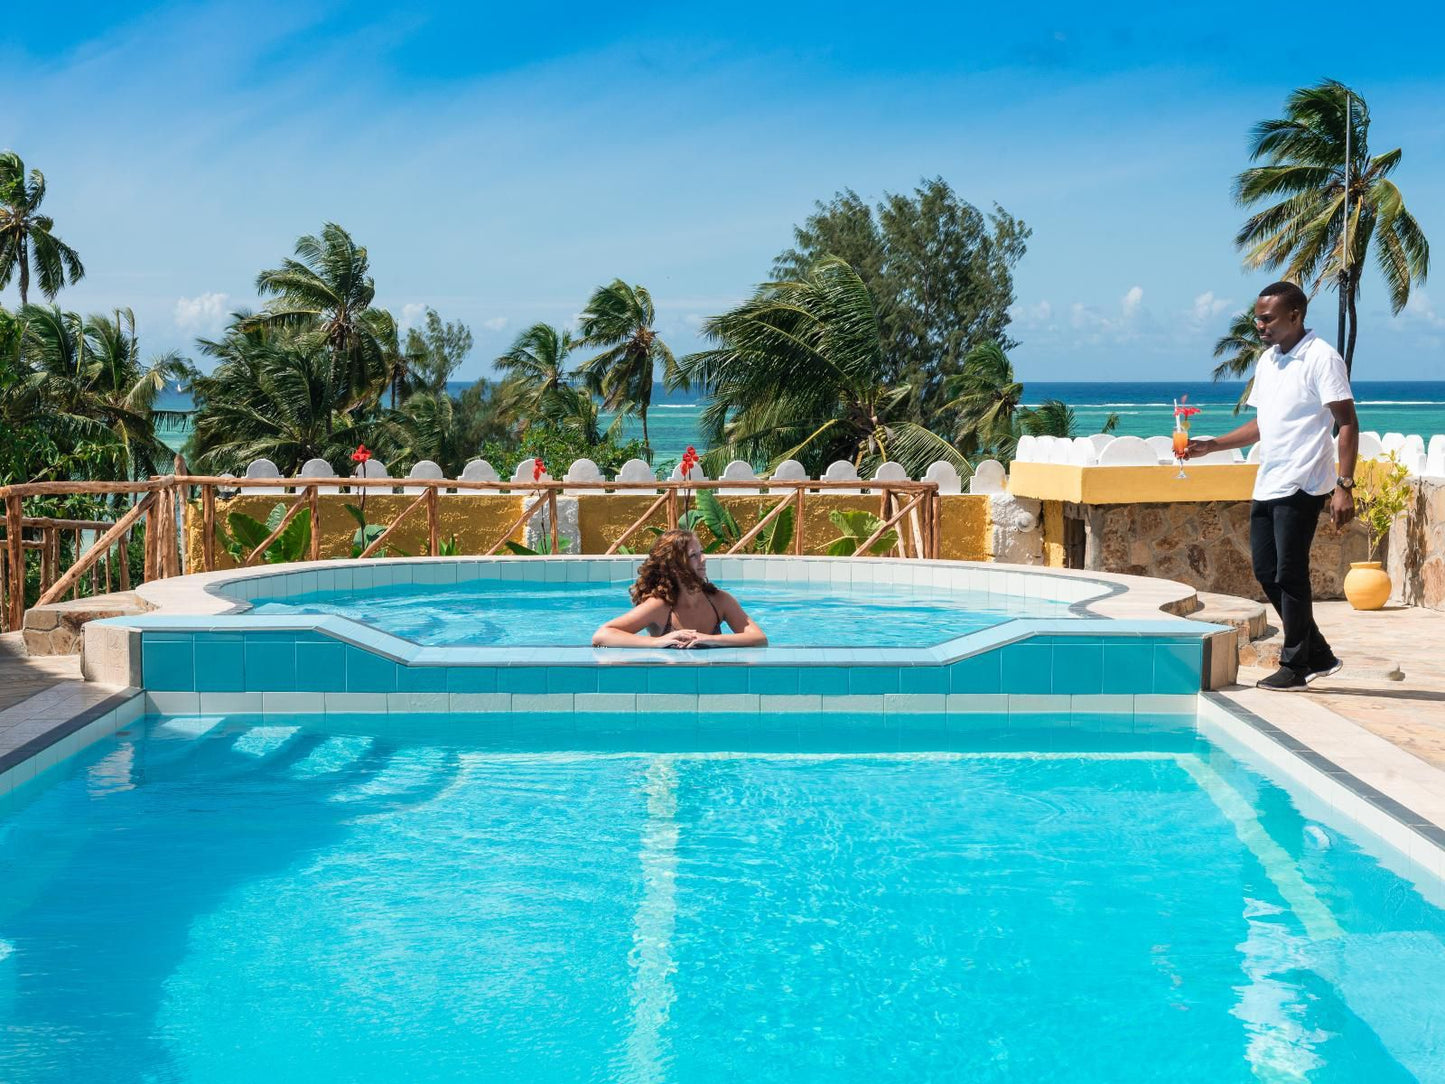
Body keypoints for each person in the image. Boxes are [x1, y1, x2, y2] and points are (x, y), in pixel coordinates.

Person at [1186, 280, 1357, 691]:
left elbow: (1347, 422)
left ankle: (1296, 665)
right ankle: (1319, 653)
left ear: (1295, 316)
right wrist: (1214, 445)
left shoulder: (1322, 358)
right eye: (1257, 317)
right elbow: (1264, 424)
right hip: (1268, 481)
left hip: (1303, 481)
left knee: (1290, 573)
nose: (1259, 324)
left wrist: (1344, 485)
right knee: (1267, 571)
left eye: (1267, 318)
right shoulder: (1268, 361)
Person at [591, 528, 768, 648]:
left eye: (701, 552)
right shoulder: (660, 607)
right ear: (674, 566)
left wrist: (711, 639)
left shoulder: (719, 601)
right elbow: (602, 635)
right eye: (694, 555)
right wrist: (657, 642)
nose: (703, 559)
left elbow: (759, 639)